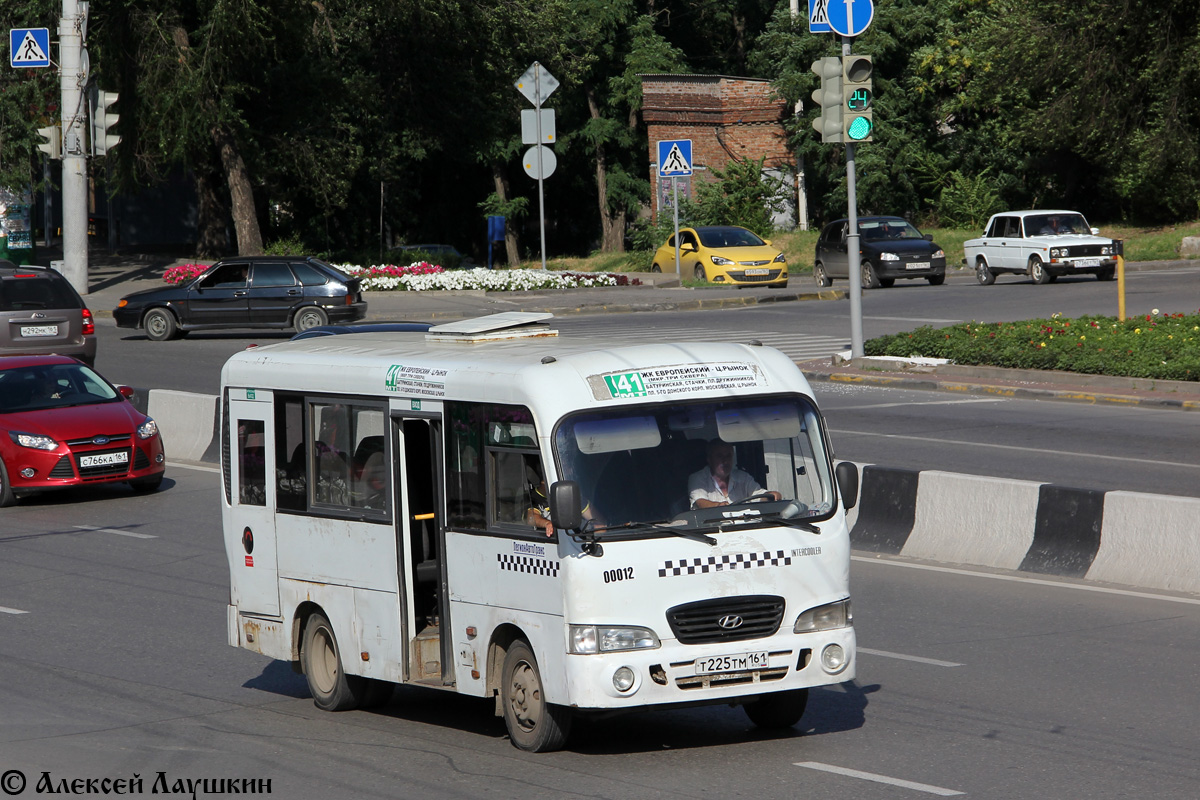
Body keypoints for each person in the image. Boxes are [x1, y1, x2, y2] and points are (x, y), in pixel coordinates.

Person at [688, 439, 780, 509]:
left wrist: (770, 495)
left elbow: (758, 494)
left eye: (728, 456)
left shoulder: (743, 477)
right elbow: (700, 502)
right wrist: (719, 506)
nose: (725, 461)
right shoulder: (697, 478)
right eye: (720, 456)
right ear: (709, 459)